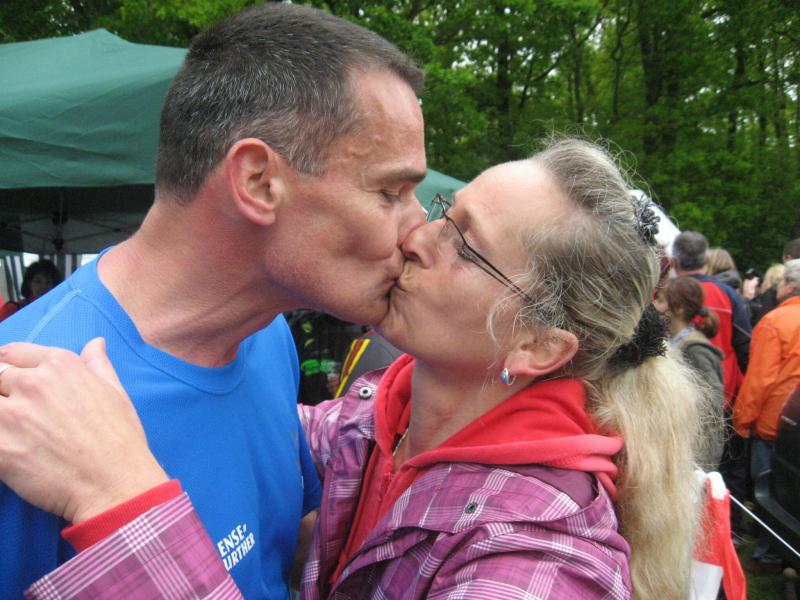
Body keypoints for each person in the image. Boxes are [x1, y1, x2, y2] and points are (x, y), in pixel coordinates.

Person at [0, 139, 717, 599]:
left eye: (466, 246)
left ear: (536, 347)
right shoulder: (373, 426)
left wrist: (119, 498)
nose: (417, 236)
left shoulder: (539, 561)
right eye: (446, 210)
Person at [0, 3, 428, 597]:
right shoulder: (24, 397)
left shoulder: (266, 336)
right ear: (257, 181)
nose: (419, 229)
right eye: (391, 192)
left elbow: (276, 551)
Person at [733, 258, 800, 571]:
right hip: (791, 420)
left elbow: (759, 380)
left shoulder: (776, 322)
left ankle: (769, 554)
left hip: (776, 424)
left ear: (789, 286)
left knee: (771, 493)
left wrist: (742, 421)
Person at [656, 276, 725, 469]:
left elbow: (711, 407)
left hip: (694, 454)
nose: (655, 306)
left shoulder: (695, 349)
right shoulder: (673, 341)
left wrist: (702, 462)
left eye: (660, 301)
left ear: (678, 309)